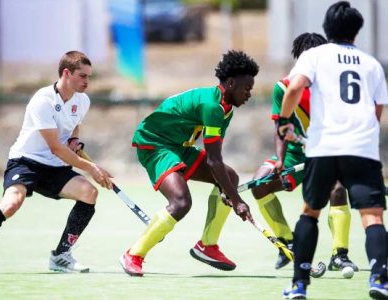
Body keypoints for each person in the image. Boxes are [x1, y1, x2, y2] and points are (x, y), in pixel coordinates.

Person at [0, 51, 113, 274]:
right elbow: (55, 147)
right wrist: (91, 168)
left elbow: (73, 127)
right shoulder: (43, 100)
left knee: (89, 193)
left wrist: (74, 138)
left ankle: (61, 256)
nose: (87, 82)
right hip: (26, 162)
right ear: (66, 73)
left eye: (89, 77)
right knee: (12, 203)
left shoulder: (83, 101)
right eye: (83, 76)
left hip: (55, 167)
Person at [277, 2, 388, 299]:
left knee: (310, 213)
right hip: (362, 148)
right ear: (356, 31)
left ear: (327, 29)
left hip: (323, 145)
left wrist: (285, 122)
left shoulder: (314, 55)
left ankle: (299, 284)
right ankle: (379, 278)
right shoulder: (372, 64)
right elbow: (377, 112)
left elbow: (293, 88)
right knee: (373, 216)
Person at [119, 50, 259, 276]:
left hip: (179, 146)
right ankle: (134, 254)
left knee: (229, 178)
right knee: (181, 201)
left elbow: (216, 159)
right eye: (247, 88)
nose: (249, 94)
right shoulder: (212, 106)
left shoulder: (225, 108)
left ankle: (208, 246)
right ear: (231, 83)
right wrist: (237, 200)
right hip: (155, 144)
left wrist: (230, 192)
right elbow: (214, 161)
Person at [251, 32, 358, 272]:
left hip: (329, 152)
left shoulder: (336, 85)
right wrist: (279, 159)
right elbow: (280, 125)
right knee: (260, 182)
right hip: (296, 154)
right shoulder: (284, 87)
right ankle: (287, 243)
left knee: (338, 190)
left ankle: (339, 255)